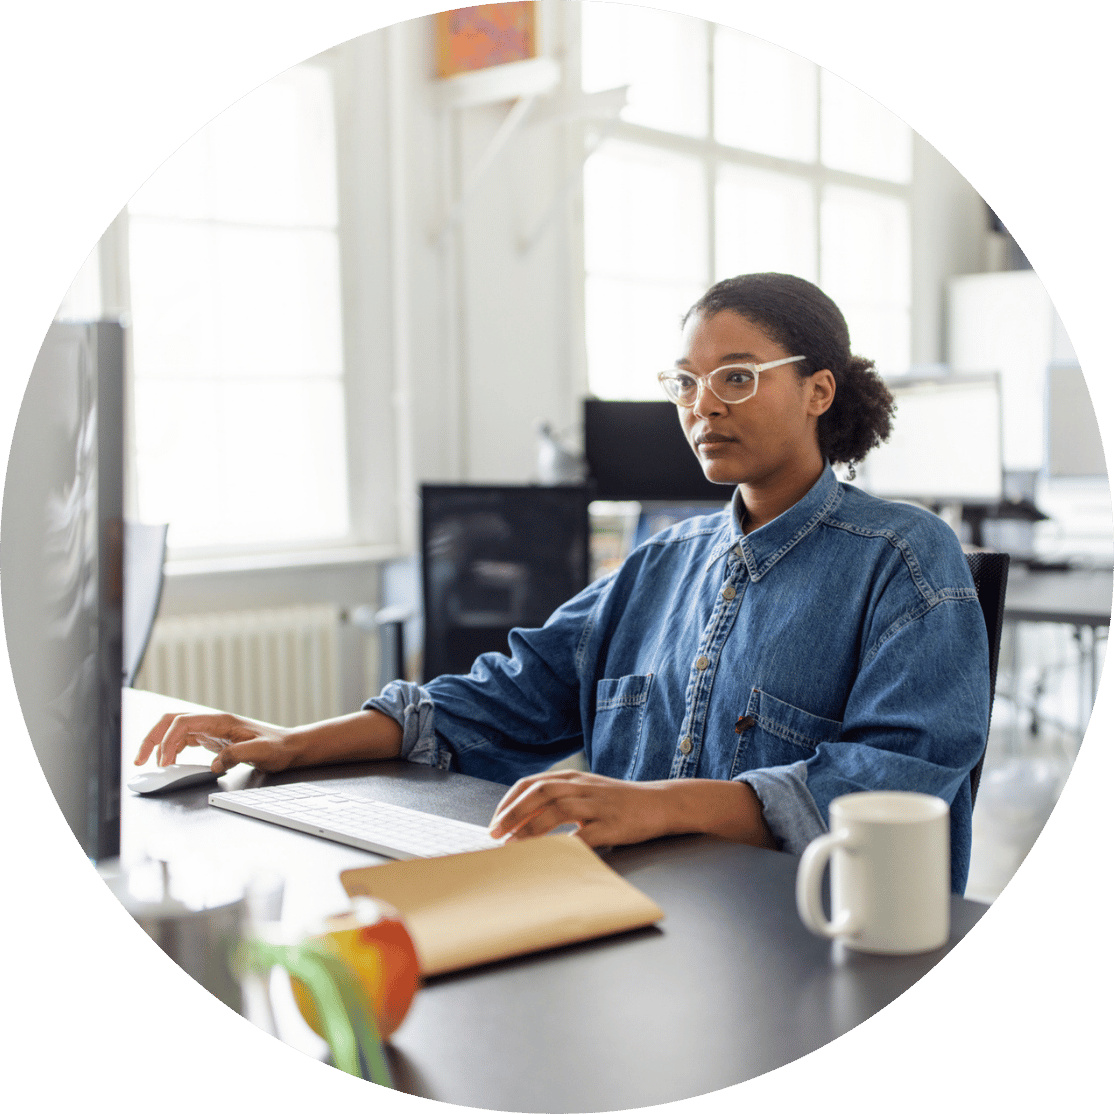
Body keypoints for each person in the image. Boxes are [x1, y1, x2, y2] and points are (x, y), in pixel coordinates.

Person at [135, 273, 989, 893]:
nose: (703, 406)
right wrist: (290, 744)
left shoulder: (905, 558)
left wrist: (654, 805)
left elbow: (891, 783)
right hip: (634, 918)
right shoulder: (661, 560)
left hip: (804, 947)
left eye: (736, 377)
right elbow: (502, 698)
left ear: (818, 390)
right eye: (686, 384)